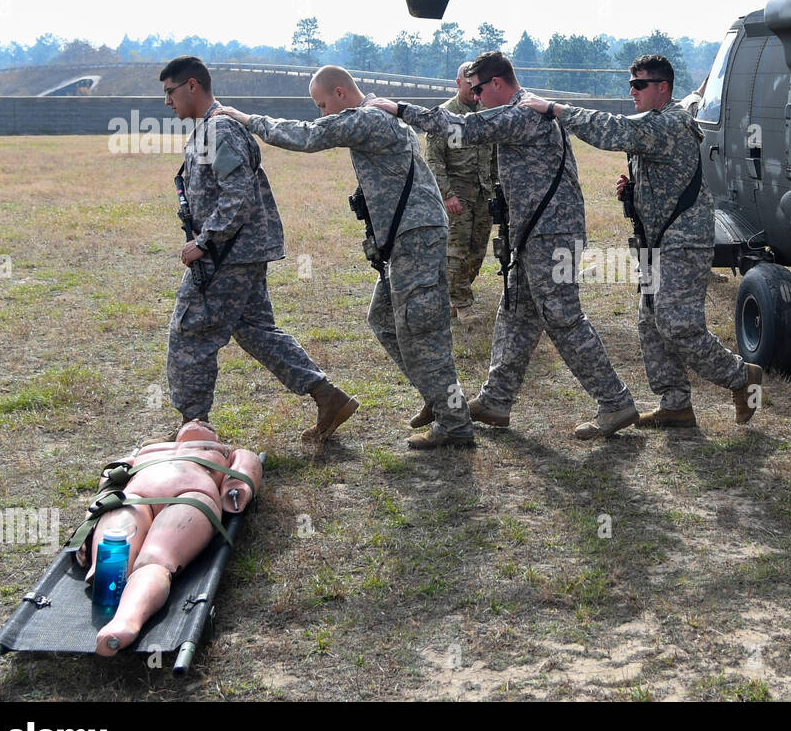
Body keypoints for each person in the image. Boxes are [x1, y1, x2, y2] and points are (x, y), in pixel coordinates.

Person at [370, 51, 638, 439]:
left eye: (478, 89)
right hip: (534, 234)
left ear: (497, 83)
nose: (476, 97)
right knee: (515, 315)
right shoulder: (524, 109)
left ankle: (615, 402)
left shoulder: (522, 113)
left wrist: (399, 109)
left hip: (551, 236)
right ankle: (496, 400)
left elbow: (460, 128)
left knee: (563, 319)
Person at [215, 66, 473, 449]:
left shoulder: (368, 118)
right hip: (405, 237)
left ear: (340, 93)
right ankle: (438, 397)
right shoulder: (378, 116)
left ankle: (454, 422)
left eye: (323, 104)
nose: (323, 113)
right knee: (384, 318)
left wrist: (245, 118)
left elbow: (308, 136)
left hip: (414, 237)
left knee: (423, 328)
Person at [520, 55, 763, 428]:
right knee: (650, 322)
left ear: (662, 87)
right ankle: (675, 403)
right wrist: (635, 189)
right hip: (656, 240)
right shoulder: (657, 122)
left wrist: (554, 108)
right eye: (630, 84)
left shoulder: (668, 123)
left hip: (682, 242)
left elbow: (611, 131)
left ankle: (741, 377)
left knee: (678, 324)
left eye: (639, 85)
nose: (631, 92)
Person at [160, 56, 357, 442]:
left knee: (190, 332)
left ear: (193, 86)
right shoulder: (209, 129)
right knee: (255, 331)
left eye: (170, 91)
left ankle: (192, 426)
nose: (167, 101)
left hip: (227, 255)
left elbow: (238, 194)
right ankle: (327, 396)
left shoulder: (219, 129)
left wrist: (204, 241)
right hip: (239, 252)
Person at [74, 420, 263, 655]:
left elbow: (248, 466)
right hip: (133, 499)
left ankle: (127, 619)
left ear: (216, 437)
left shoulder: (225, 451)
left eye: (207, 424)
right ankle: (104, 574)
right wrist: (92, 516)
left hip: (190, 496)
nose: (199, 421)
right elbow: (111, 476)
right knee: (113, 545)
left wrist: (236, 489)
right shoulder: (147, 450)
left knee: (155, 559)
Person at [427, 62, 499, 321]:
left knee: (477, 249)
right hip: (457, 194)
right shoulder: (444, 116)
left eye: (475, 84)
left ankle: (452, 295)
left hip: (484, 194)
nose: (472, 88)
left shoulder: (487, 113)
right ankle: (462, 303)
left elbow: (496, 155)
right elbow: (434, 160)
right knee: (455, 250)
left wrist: (497, 190)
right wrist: (447, 194)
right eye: (467, 83)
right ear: (457, 83)